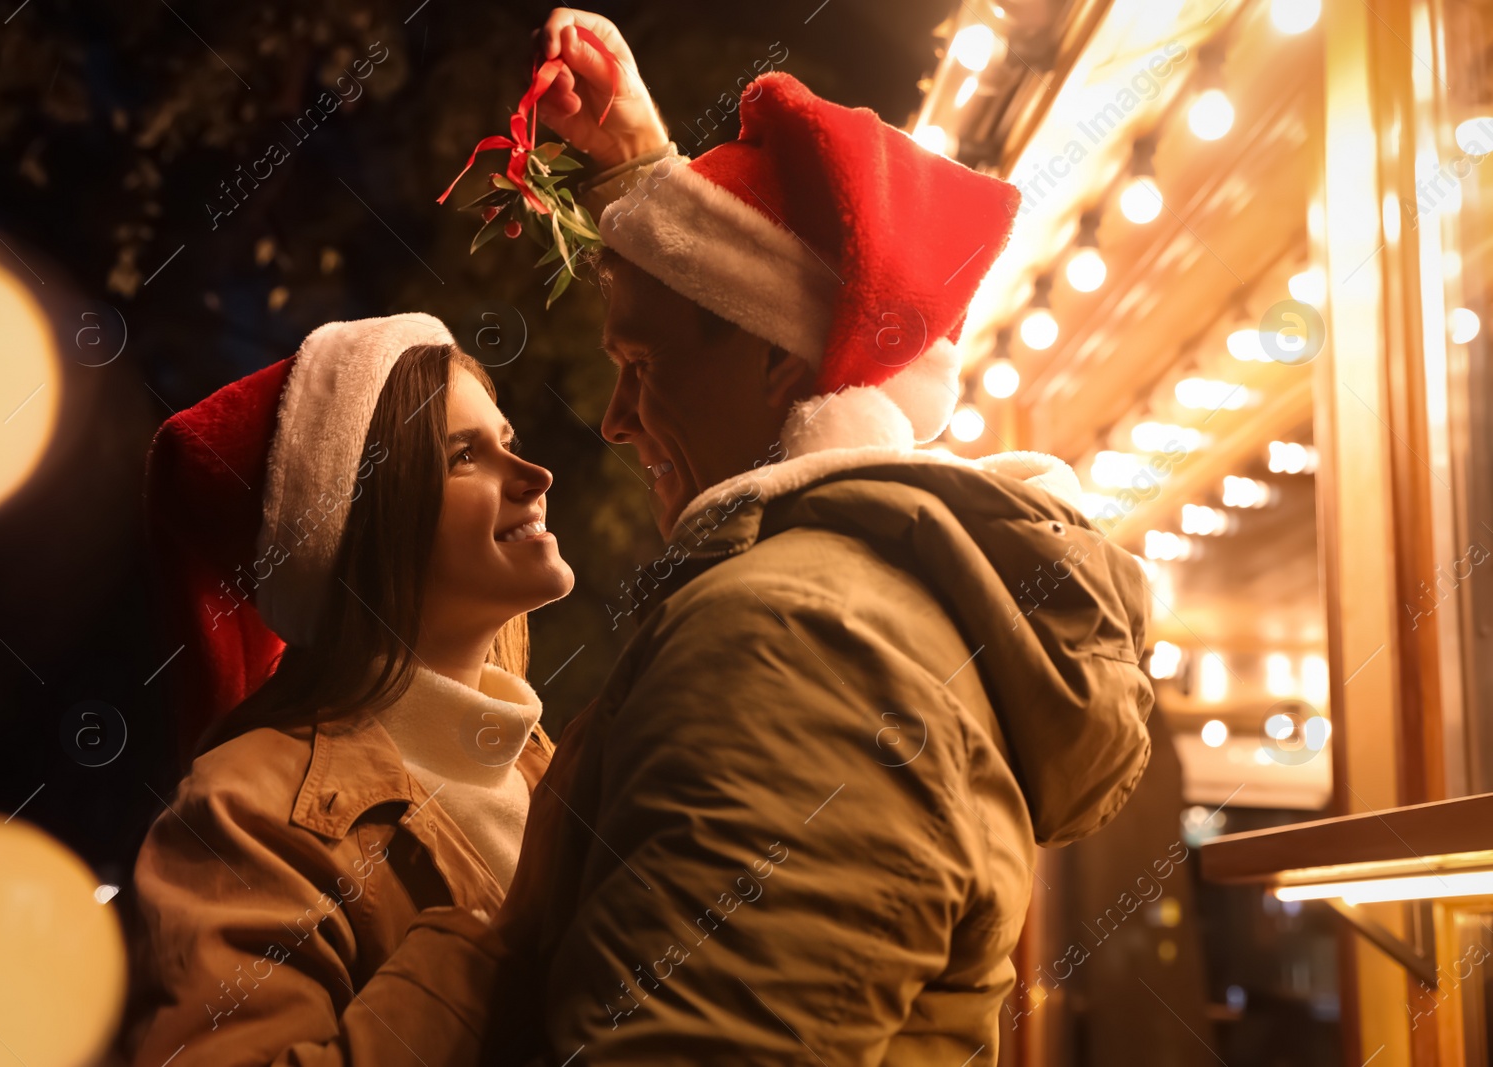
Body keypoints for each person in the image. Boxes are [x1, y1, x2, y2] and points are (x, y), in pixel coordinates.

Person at [462, 11, 1158, 1066]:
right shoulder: (836, 603)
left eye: (641, 365)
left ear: (783, 370)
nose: (610, 419)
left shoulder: (792, 637)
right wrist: (645, 178)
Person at [123, 314, 574, 1066]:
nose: (535, 477)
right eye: (465, 455)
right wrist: (493, 937)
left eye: (510, 441)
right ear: (358, 520)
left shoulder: (553, 766)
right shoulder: (244, 809)